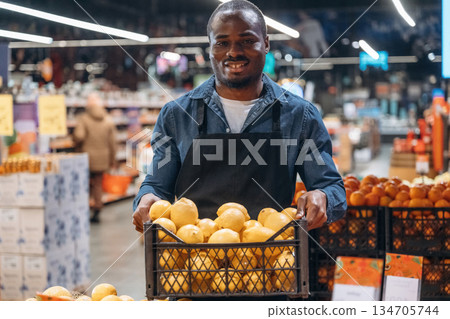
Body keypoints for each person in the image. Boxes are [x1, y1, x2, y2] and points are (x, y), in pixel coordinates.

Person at [133, 0, 346, 233]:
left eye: (246, 41)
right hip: (195, 259)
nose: (234, 52)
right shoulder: (177, 115)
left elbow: (331, 186)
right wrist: (147, 199)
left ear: (265, 43)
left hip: (271, 260)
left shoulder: (300, 116)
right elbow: (156, 185)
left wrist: (322, 196)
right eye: (223, 43)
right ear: (210, 47)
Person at [74, 93, 117, 223]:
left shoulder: (83, 119)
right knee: (98, 184)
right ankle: (97, 208)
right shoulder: (108, 119)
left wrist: (74, 140)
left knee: (83, 184)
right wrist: (112, 159)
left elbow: (79, 136)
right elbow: (112, 142)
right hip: (102, 158)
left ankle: (82, 209)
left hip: (86, 158)